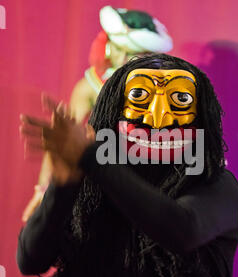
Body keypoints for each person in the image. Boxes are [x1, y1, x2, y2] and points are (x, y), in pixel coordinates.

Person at [18, 54, 238, 277]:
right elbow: (31, 259)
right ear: (112, 113)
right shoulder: (85, 181)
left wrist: (92, 158)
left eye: (180, 99)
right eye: (138, 97)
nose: (157, 119)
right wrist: (62, 186)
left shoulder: (216, 185)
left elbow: (182, 230)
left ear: (201, 118)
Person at [21, 5, 173, 222]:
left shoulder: (167, 94)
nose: (121, 60)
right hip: (100, 187)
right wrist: (43, 190)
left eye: (131, 54)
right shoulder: (90, 88)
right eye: (117, 49)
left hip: (147, 190)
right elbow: (61, 138)